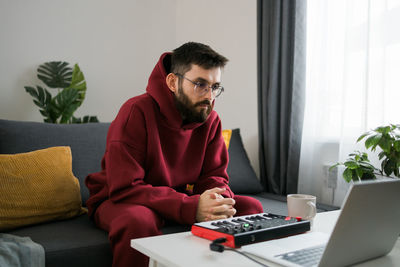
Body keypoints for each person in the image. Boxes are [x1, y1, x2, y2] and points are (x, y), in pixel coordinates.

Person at [85, 42, 263, 267]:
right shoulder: (135, 112)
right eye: (200, 84)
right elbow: (125, 187)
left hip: (178, 198)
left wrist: (217, 199)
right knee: (137, 221)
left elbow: (215, 176)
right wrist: (192, 207)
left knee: (250, 209)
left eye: (215, 86)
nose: (209, 96)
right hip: (121, 198)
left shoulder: (210, 119)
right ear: (172, 81)